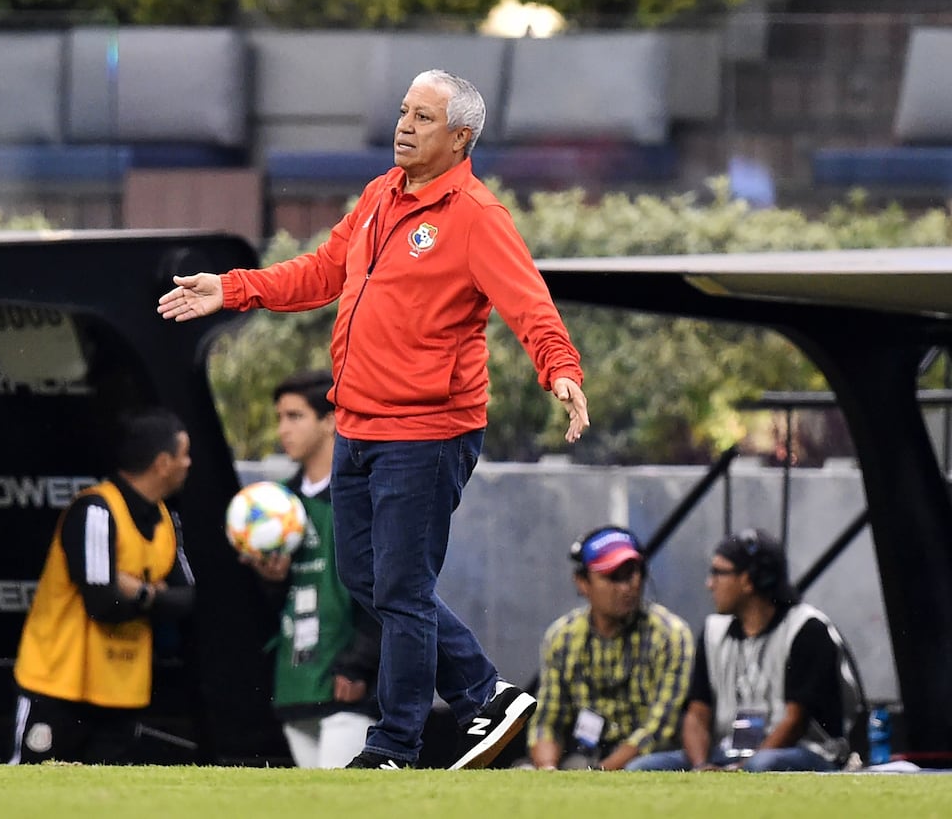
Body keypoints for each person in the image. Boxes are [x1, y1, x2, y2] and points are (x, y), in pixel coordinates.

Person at [158, 68, 589, 770]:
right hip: (357, 421)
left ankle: (394, 745)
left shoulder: (477, 214)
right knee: (370, 581)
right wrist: (234, 288)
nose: (404, 125)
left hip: (428, 429)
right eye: (402, 111)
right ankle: (486, 693)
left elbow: (528, 303)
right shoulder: (379, 196)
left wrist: (561, 369)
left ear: (461, 137)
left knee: (401, 589)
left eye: (423, 117)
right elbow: (324, 270)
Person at [8, 407, 196, 764]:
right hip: (59, 684)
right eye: (184, 454)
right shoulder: (96, 510)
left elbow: (187, 600)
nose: (189, 463)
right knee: (30, 795)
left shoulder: (167, 520)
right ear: (163, 463)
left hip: (120, 692)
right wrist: (155, 595)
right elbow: (103, 604)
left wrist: (138, 591)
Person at [627, 528, 864, 772]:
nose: (709, 584)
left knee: (763, 764)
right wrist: (700, 767)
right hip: (726, 754)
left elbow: (795, 721)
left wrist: (741, 769)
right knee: (642, 767)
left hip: (805, 752)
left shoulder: (806, 629)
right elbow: (697, 714)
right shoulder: (712, 632)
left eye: (719, 573)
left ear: (749, 580)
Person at [243, 369, 381, 768]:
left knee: (342, 804)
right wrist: (271, 581)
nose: (282, 429)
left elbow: (389, 589)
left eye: (295, 416)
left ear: (330, 420)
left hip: (350, 686)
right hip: (297, 684)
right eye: (279, 418)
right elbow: (273, 602)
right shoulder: (273, 505)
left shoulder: (364, 495)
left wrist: (359, 663)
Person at [528, 526, 693, 770]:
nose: (629, 586)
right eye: (614, 576)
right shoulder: (562, 637)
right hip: (585, 756)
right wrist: (549, 770)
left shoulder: (670, 635)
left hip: (648, 759)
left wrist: (600, 774)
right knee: (529, 770)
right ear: (582, 582)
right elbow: (547, 722)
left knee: (639, 767)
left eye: (634, 573)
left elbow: (659, 729)